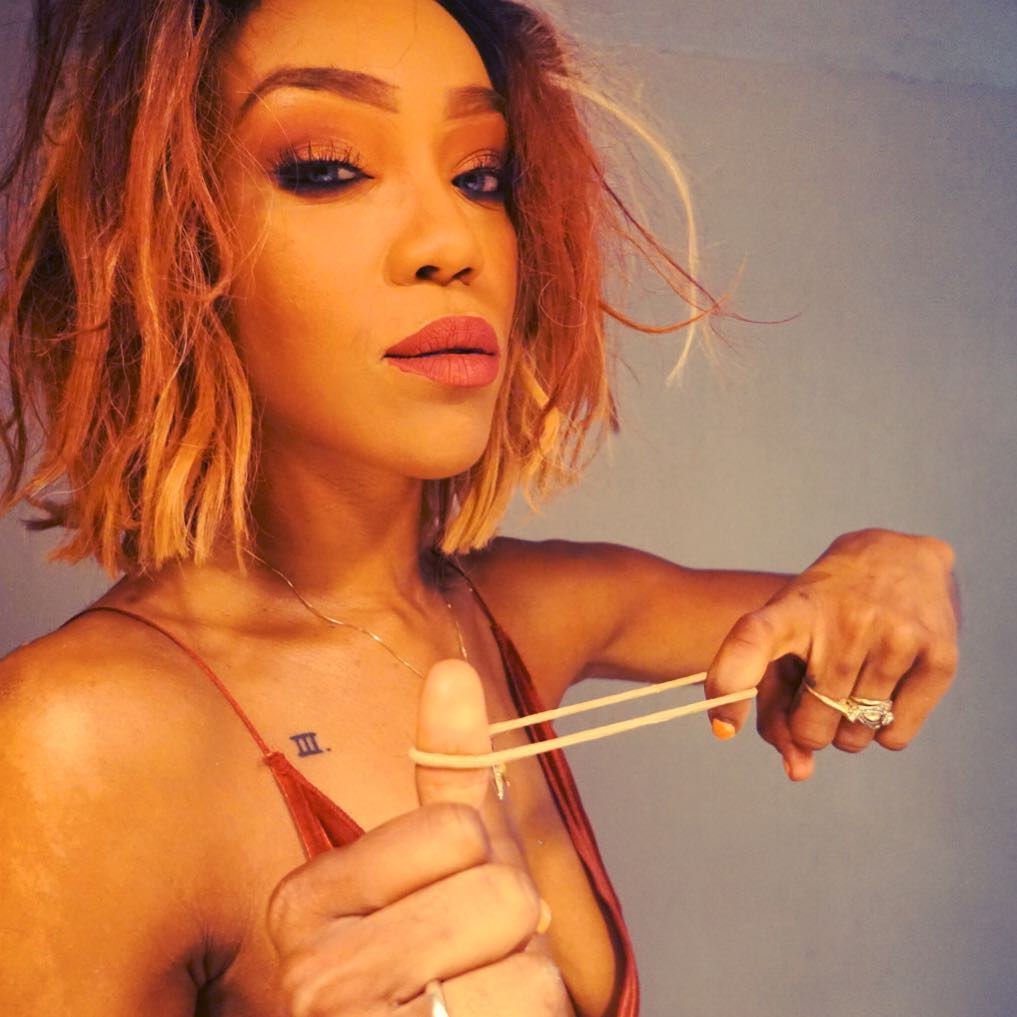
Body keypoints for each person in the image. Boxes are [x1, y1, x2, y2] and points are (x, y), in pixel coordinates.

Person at [0, 1, 958, 1015]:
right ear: (172, 249)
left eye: (478, 176)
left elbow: (841, 631)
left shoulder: (525, 610)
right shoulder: (73, 741)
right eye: (326, 168)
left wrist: (893, 562)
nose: (451, 241)